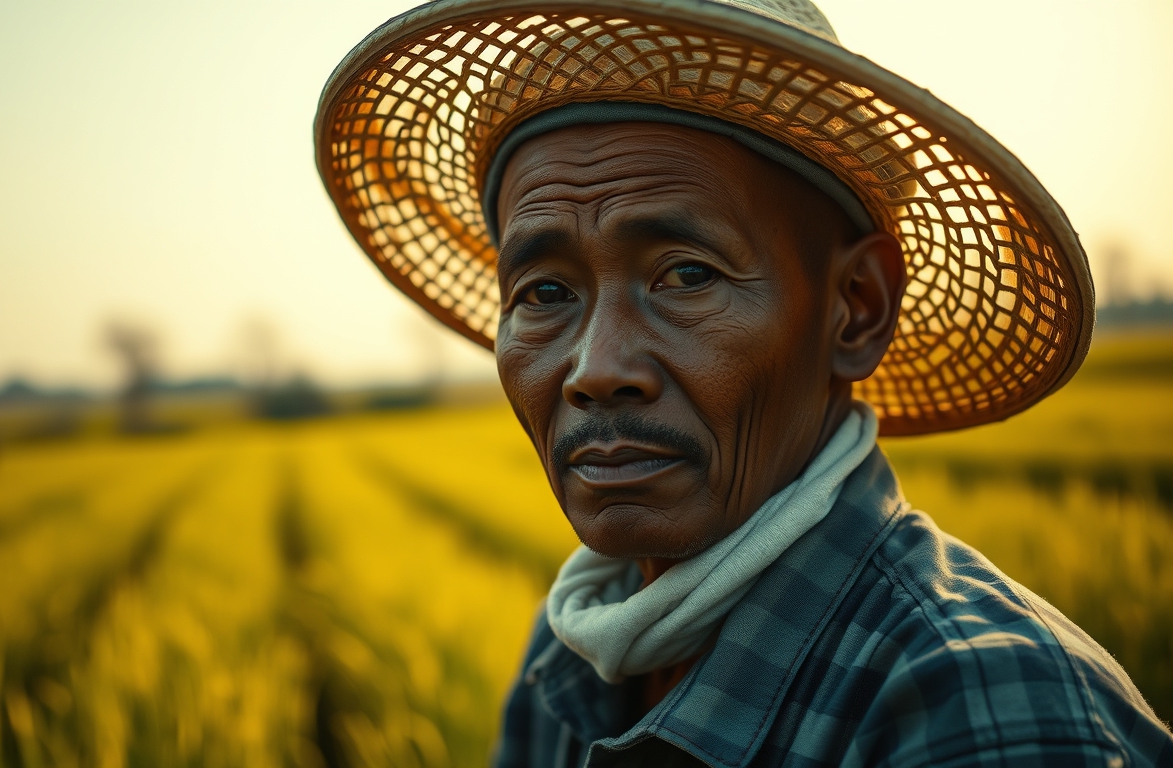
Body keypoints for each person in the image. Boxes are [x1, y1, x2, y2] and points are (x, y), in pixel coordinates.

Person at [315, 0, 1173, 764]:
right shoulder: (571, 652)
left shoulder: (979, 709)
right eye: (543, 294)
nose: (596, 369)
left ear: (855, 310)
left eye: (686, 276)